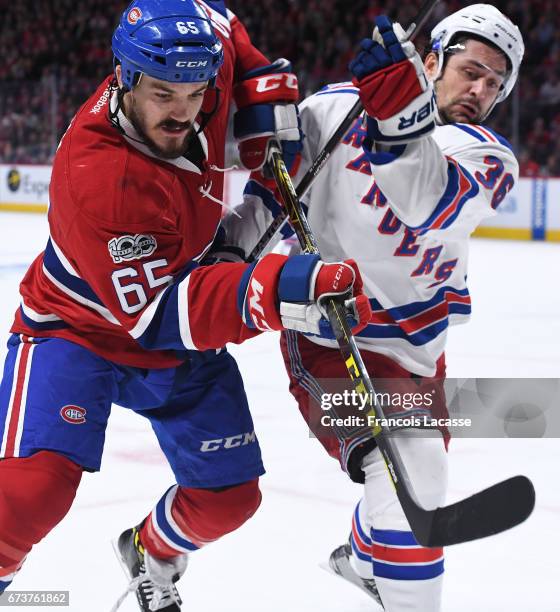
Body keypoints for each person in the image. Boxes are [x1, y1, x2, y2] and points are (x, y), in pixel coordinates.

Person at [0, 1, 371, 611]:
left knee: (228, 498)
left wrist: (252, 74)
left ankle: (151, 551)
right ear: (125, 78)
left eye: (197, 93)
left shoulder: (198, 56)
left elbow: (216, 15)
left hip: (176, 320)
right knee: (29, 495)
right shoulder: (101, 177)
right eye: (163, 94)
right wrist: (274, 288)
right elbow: (159, 318)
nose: (182, 112)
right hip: (77, 330)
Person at [216, 4, 524, 611]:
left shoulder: (489, 158)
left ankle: (362, 557)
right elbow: (269, 196)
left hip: (418, 355)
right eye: (471, 70)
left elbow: (424, 201)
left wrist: (400, 119)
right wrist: (224, 260)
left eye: (496, 83)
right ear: (430, 59)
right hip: (334, 340)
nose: (481, 90)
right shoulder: (331, 112)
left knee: (407, 483)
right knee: (415, 481)